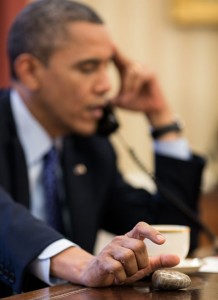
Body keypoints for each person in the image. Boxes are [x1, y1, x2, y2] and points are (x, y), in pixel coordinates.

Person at [0, 0, 205, 296]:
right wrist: (80, 264)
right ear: (30, 71)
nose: (106, 85)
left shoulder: (90, 146)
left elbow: (168, 236)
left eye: (106, 66)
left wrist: (162, 120)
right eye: (88, 67)